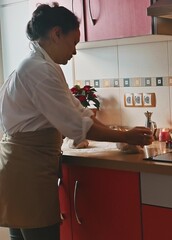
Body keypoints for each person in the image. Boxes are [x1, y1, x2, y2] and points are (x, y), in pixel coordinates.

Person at [0, 3, 153, 240]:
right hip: (27, 172)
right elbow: (75, 126)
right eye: (73, 42)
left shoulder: (42, 66)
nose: (74, 51)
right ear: (56, 33)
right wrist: (124, 137)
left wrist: (117, 133)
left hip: (22, 169)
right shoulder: (38, 70)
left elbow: (78, 112)